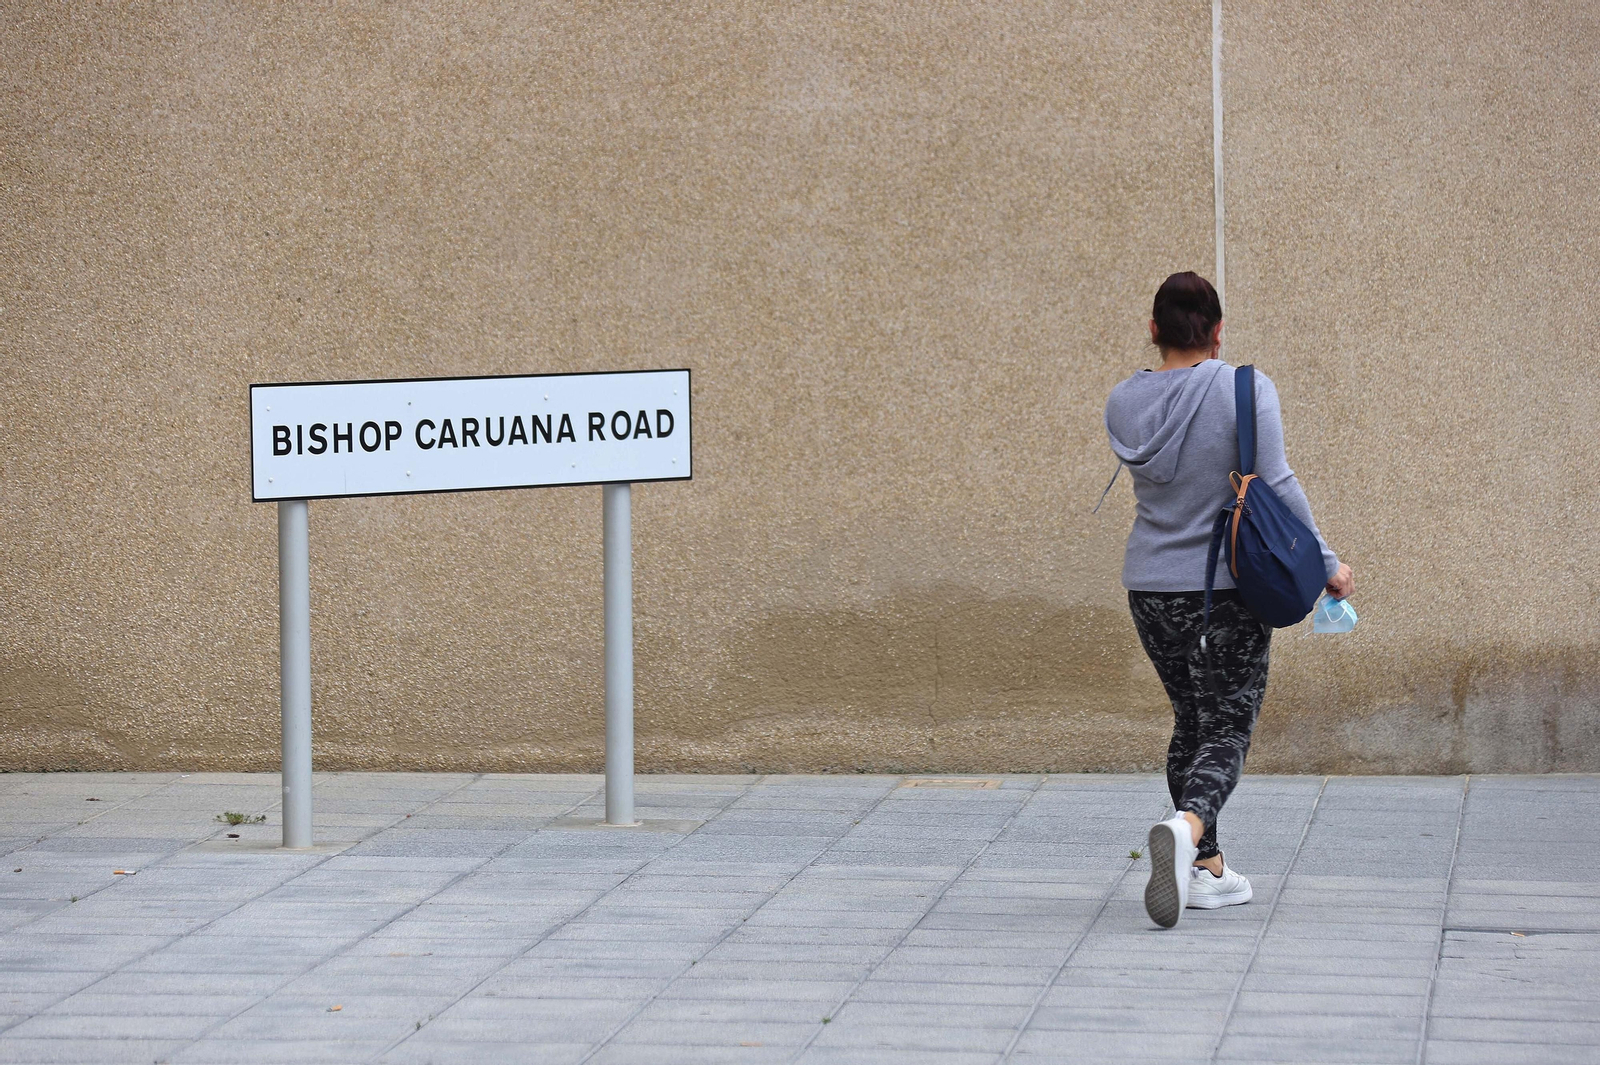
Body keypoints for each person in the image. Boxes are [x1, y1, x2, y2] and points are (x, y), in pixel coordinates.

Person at [1103, 272, 1353, 929]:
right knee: (1228, 727)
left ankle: (1205, 867)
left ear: (1154, 330)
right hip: (1223, 589)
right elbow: (1277, 482)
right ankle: (1186, 827)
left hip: (1149, 589)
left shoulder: (1123, 403)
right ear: (1217, 333)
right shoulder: (1243, 387)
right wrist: (1327, 563)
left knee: (1192, 718)